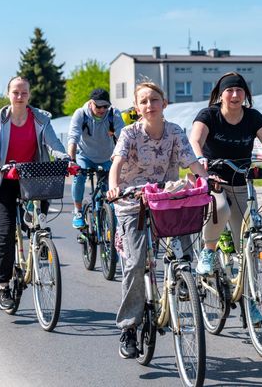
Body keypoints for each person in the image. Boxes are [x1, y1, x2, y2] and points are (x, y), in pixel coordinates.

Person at [106, 81, 208, 359]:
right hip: (132, 202)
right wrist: (114, 188)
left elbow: (192, 162)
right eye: (144, 101)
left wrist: (207, 180)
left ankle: (184, 282)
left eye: (154, 100)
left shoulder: (175, 131)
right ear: (137, 108)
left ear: (164, 103)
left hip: (165, 200)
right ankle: (129, 327)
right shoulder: (129, 133)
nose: (149, 105)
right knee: (136, 263)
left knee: (185, 247)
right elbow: (117, 164)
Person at [189, 72, 262, 276]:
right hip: (213, 177)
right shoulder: (209, 115)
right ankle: (208, 252)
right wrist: (200, 157)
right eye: (229, 90)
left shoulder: (252, 117)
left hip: (241, 179)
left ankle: (249, 285)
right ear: (221, 94)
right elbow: (195, 140)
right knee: (220, 209)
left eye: (239, 90)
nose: (235, 94)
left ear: (245, 94)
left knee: (246, 235)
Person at [0, 76, 72, 310]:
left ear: (29, 95)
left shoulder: (41, 118)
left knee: (37, 222)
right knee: (6, 232)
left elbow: (53, 143)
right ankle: (3, 286)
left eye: (24, 92)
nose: (20, 96)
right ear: (8, 94)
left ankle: (37, 241)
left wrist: (65, 158)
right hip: (4, 179)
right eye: (15, 92)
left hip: (31, 178)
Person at [68, 88, 124, 228]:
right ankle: (78, 211)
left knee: (111, 187)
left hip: (107, 157)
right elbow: (73, 138)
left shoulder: (113, 114)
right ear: (91, 103)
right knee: (79, 176)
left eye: (105, 106)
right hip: (85, 155)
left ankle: (109, 215)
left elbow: (123, 137)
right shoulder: (81, 114)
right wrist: (72, 161)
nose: (102, 109)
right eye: (98, 106)